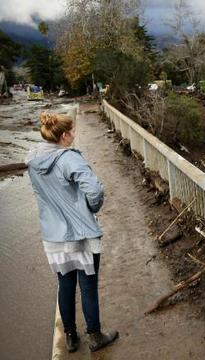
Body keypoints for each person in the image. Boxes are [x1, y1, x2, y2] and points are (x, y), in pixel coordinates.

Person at [25, 112, 118, 353]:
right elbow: (95, 191)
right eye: (73, 131)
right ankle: (95, 336)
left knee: (64, 285)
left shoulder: (34, 161)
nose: (75, 135)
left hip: (53, 238)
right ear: (64, 136)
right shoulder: (69, 158)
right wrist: (90, 209)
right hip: (80, 236)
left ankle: (70, 336)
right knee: (87, 287)